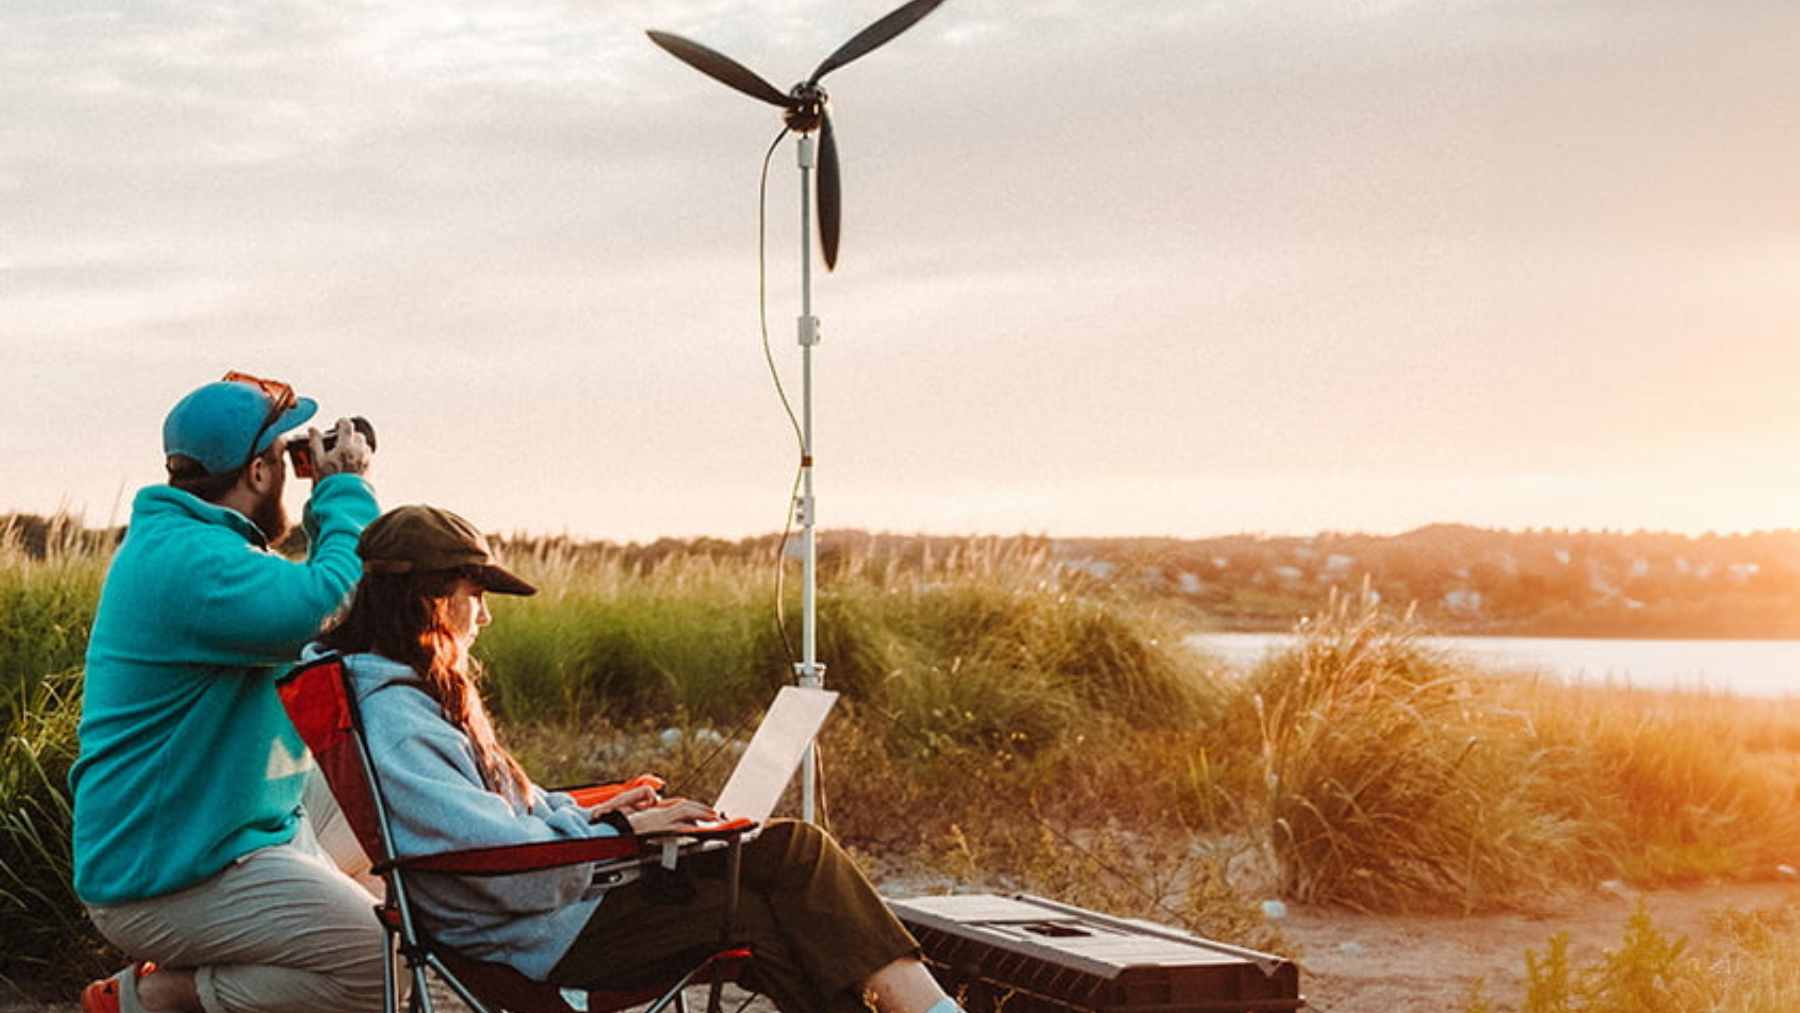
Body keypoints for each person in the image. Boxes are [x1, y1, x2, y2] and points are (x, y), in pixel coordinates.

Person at [307, 504, 964, 1013]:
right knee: (769, 897)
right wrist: (622, 831)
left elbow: (504, 817)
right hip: (539, 933)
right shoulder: (399, 720)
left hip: (553, 905)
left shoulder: (410, 697)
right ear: (430, 600)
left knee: (786, 862)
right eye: (473, 594)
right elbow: (504, 870)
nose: (484, 616)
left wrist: (599, 812)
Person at [69, 372, 384, 1013]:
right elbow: (330, 607)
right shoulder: (190, 562)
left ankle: (264, 954)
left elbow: (319, 602)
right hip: (168, 874)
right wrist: (344, 487)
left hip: (225, 826)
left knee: (393, 815)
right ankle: (156, 996)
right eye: (285, 456)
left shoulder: (201, 549)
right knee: (384, 961)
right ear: (260, 471)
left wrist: (328, 510)